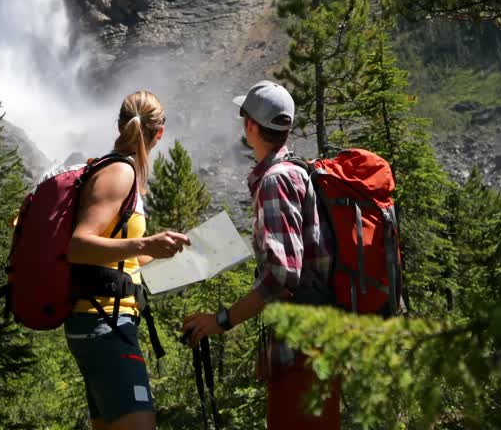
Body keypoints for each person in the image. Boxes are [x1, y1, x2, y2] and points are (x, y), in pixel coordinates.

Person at [181, 80, 341, 429]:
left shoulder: (275, 181)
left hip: (302, 348)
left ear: (251, 126)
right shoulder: (300, 172)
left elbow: (282, 277)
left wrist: (220, 321)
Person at [65, 90, 191, 430]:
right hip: (103, 322)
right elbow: (78, 246)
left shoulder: (123, 172)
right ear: (160, 133)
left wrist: (168, 253)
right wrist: (145, 242)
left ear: (119, 124)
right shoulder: (119, 173)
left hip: (104, 321)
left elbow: (117, 251)